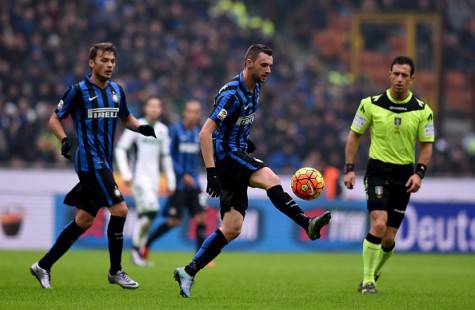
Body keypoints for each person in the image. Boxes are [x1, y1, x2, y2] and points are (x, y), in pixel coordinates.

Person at [173, 44, 332, 298]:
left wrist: (244, 142)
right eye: (264, 65)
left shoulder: (256, 88)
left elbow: (234, 125)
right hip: (226, 158)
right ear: (248, 63)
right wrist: (211, 172)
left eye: (271, 65)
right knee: (270, 177)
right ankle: (307, 223)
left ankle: (188, 271)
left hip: (236, 154)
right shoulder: (231, 94)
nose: (269, 70)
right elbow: (205, 132)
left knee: (232, 227)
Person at [30, 42, 157, 289]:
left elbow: (126, 117)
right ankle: (115, 271)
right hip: (90, 163)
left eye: (112, 61)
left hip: (104, 163)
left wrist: (141, 127)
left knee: (84, 220)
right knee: (120, 210)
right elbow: (54, 119)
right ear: (91, 62)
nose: (109, 65)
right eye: (104, 60)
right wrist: (64, 139)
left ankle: (42, 265)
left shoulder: (117, 91)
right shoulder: (77, 91)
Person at [343, 56, 434, 294]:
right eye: (396, 74)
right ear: (389, 74)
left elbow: (426, 145)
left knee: (389, 238)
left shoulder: (423, 111)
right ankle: (367, 281)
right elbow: (354, 135)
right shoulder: (370, 104)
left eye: (405, 75)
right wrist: (350, 168)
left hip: (404, 175)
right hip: (377, 171)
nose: (400, 79)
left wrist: (419, 174)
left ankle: (374, 271)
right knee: (379, 223)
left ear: (412, 79)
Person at [115, 97, 176, 266]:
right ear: (146, 108)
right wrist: (126, 173)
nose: (155, 109)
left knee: (146, 216)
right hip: (139, 178)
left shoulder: (163, 130)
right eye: (151, 106)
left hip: (154, 179)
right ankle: (136, 250)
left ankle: (138, 254)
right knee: (151, 211)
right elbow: (121, 149)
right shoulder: (137, 125)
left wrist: (171, 180)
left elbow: (166, 157)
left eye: (158, 106)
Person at [144, 100, 209, 256]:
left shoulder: (199, 133)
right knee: (174, 221)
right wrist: (181, 174)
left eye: (196, 112)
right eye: (190, 111)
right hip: (179, 184)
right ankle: (146, 244)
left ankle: (200, 256)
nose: (193, 115)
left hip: (194, 184)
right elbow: (168, 156)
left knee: (201, 218)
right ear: (185, 113)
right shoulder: (174, 131)